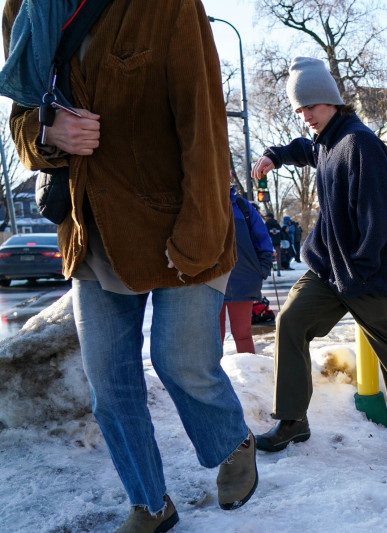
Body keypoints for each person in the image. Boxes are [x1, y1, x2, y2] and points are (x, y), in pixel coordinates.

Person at [2, 1, 259, 531]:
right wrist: (50, 133)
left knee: (180, 362)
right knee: (110, 387)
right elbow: (22, 122)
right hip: (90, 230)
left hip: (180, 219)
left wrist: (197, 235)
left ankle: (232, 439)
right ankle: (149, 502)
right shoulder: (23, 11)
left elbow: (203, 120)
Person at [251, 57, 387, 450]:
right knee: (290, 322)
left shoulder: (359, 143)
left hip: (364, 272)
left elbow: (381, 214)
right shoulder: (327, 141)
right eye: (299, 109)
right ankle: (292, 419)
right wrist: (276, 155)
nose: (305, 117)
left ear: (331, 102)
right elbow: (307, 149)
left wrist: (363, 264)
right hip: (328, 267)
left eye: (310, 107)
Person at [220, 185, 274, 354]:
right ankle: (212, 379)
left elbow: (263, 239)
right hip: (210, 279)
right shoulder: (201, 203)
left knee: (242, 334)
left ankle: (249, 375)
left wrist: (262, 269)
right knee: (213, 336)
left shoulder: (243, 207)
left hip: (244, 279)